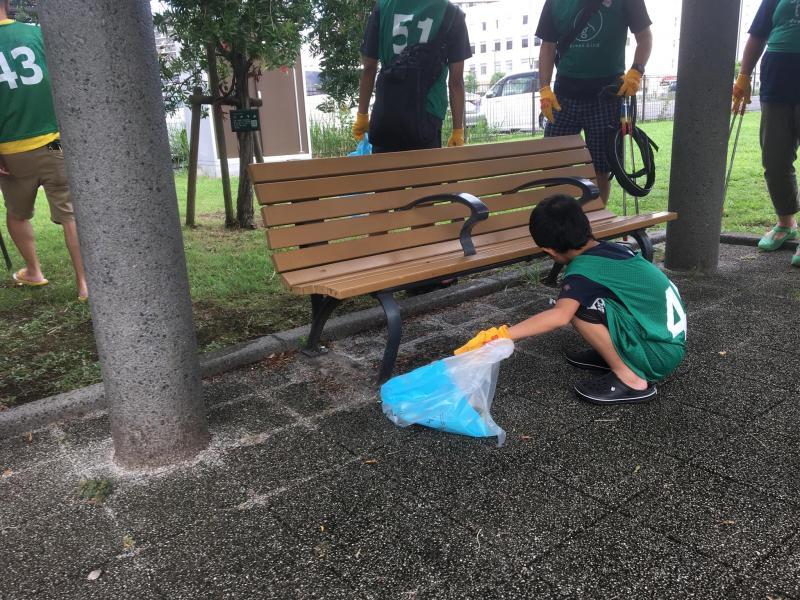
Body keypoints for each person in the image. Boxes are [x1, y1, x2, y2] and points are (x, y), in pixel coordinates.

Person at [454, 194, 687, 405]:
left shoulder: (584, 270)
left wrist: (501, 335)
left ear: (550, 251)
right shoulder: (611, 249)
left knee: (577, 308)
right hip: (665, 342)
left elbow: (559, 317)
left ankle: (631, 379)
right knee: (587, 300)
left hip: (657, 355)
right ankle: (617, 354)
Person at [0, 0, 87, 301]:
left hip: (10, 152)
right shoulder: (37, 35)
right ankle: (85, 284)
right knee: (70, 214)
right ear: (8, 4)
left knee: (17, 214)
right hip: (54, 141)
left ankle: (34, 271)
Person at [535, 0, 653, 206]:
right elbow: (547, 46)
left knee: (601, 166)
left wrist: (636, 71)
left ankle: (596, 221)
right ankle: (559, 220)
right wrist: (545, 88)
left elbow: (645, 38)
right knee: (553, 163)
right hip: (563, 97)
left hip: (606, 96)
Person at [352, 0, 472, 152]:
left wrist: (362, 115)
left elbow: (369, 68)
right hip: (427, 117)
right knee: (424, 174)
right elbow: (456, 81)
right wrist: (457, 130)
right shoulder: (452, 13)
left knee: (385, 174)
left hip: (387, 114)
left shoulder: (383, 7)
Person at [732, 0, 800, 267]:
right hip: (777, 84)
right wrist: (744, 75)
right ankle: (786, 223)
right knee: (774, 160)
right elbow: (758, 35)